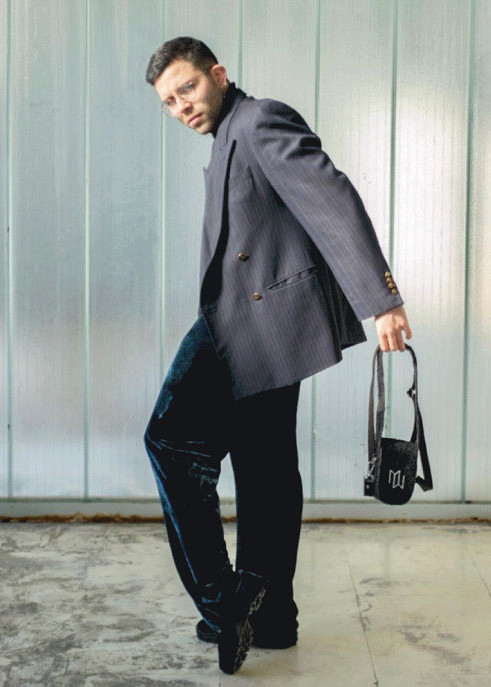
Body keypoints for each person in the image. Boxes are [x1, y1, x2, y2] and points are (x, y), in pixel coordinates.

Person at [143, 36, 412, 675]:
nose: (181, 106)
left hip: (253, 321)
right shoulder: (226, 137)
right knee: (264, 468)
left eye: (188, 88)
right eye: (169, 101)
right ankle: (270, 619)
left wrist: (382, 300)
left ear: (218, 74)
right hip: (264, 325)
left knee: (170, 441)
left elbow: (332, 200)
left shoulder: (259, 120)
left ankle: (226, 600)